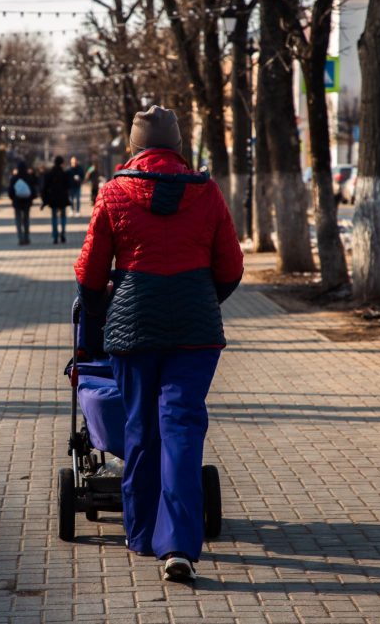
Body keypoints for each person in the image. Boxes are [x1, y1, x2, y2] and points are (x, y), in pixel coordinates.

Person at [74, 106, 244, 583]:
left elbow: (90, 272)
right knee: (183, 429)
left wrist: (98, 305)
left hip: (132, 327)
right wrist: (202, 299)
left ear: (134, 146)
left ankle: (142, 532)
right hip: (195, 334)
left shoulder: (114, 192)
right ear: (178, 145)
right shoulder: (206, 192)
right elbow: (230, 268)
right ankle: (179, 546)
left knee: (140, 428)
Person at [41, 155, 71, 244]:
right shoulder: (64, 174)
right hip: (63, 198)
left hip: (53, 199)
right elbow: (68, 186)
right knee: (63, 217)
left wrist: (45, 199)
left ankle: (55, 236)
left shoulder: (49, 174)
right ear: (61, 163)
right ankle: (63, 234)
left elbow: (45, 187)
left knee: (54, 218)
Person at [8, 161, 38, 246]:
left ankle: (20, 238)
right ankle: (27, 238)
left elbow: (10, 191)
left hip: (17, 202)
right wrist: (31, 199)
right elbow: (33, 190)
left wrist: (13, 198)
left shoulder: (14, 178)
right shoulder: (28, 177)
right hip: (26, 203)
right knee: (26, 220)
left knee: (18, 220)